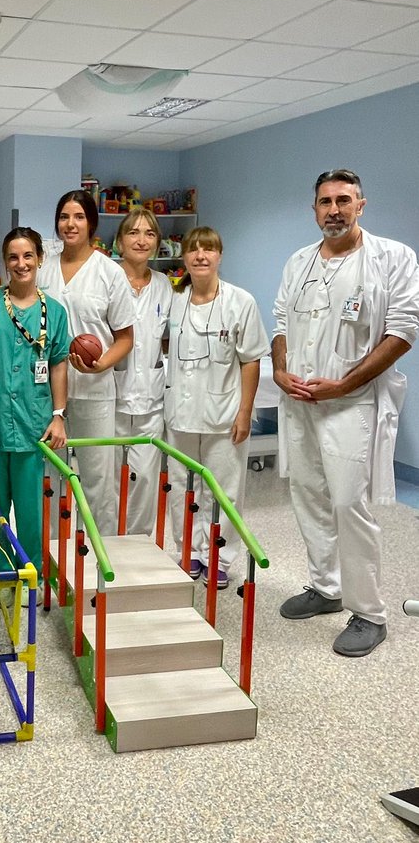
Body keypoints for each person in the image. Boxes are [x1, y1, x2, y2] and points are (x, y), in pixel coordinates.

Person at [273, 169, 419, 657]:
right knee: (308, 495)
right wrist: (279, 370)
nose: (333, 209)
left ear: (361, 205)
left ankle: (369, 612)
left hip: (350, 404)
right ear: (313, 208)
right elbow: (279, 322)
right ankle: (326, 587)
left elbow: (402, 330)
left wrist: (345, 383)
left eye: (343, 200)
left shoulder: (392, 258)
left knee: (347, 504)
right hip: (300, 400)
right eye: (324, 202)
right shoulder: (299, 261)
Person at [0, 228, 69, 601]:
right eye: (13, 257)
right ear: (5, 262)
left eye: (28, 256)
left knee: (29, 510)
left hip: (33, 422)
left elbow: (58, 365)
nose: (20, 264)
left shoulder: (54, 312)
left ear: (40, 258)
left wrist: (58, 414)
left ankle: (30, 576)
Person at [164, 227, 269, 589]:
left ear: (220, 256)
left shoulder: (241, 302)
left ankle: (219, 557)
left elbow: (251, 360)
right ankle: (188, 552)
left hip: (225, 415)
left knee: (224, 490)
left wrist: (245, 412)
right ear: (184, 258)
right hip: (180, 412)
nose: (201, 256)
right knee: (181, 486)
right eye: (193, 250)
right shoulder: (173, 299)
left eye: (209, 250)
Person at [38, 189, 134, 534]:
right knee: (50, 480)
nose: (70, 224)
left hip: (95, 389)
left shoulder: (109, 272)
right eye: (64, 217)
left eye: (79, 216)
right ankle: (53, 556)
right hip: (47, 394)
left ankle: (99, 558)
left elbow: (126, 338)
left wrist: (102, 363)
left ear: (91, 222)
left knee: (97, 479)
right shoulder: (41, 270)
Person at [113, 210, 172, 535]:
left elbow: (168, 337)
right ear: (120, 241)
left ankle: (137, 545)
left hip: (151, 398)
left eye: (149, 233)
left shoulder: (165, 285)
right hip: (110, 395)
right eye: (133, 232)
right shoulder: (108, 279)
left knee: (146, 479)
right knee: (108, 480)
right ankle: (103, 543)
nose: (141, 239)